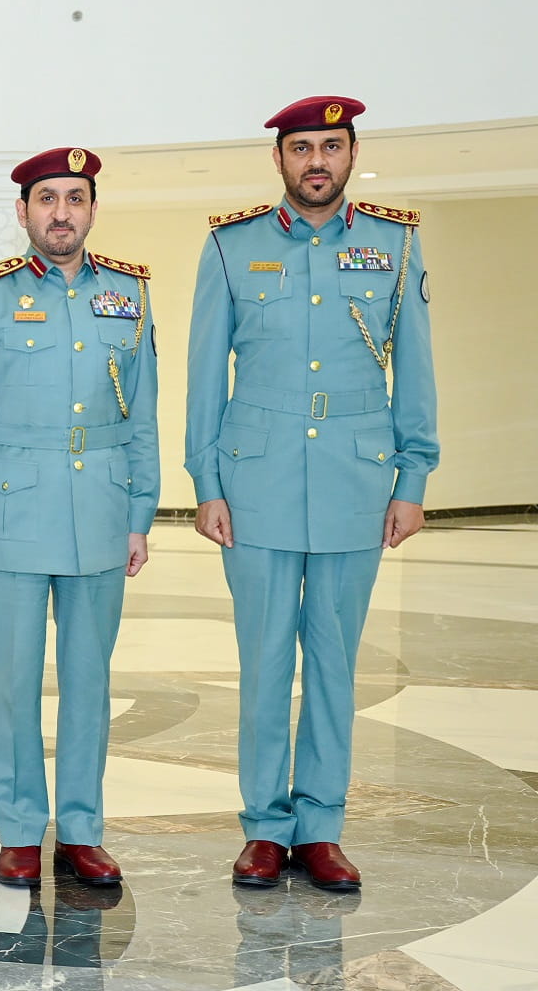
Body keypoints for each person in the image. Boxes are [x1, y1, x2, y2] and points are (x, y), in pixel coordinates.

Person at [186, 97, 437, 891]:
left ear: (353, 154)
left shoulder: (395, 244)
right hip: (254, 481)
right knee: (262, 662)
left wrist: (413, 478)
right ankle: (265, 826)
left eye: (331, 146)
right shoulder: (231, 246)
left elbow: (417, 370)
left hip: (354, 484)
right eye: (302, 148)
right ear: (280, 160)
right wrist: (207, 481)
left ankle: (321, 826)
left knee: (333, 660)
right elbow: (204, 375)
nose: (316, 161)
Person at [0, 147, 160, 889]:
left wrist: (140, 513)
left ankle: (82, 829)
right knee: (11, 682)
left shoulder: (129, 294)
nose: (61, 212)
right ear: (23, 211)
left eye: (74, 197)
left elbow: (143, 416)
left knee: (89, 682)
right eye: (46, 199)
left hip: (99, 513)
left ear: (92, 207)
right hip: (9, 519)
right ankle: (17, 828)